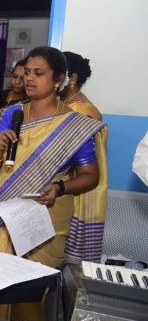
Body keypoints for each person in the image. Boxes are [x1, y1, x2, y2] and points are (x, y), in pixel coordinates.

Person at [0, 46, 105, 321]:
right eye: (27, 72)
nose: (29, 78)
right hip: (3, 214)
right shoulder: (12, 113)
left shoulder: (74, 125)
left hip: (46, 216)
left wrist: (60, 187)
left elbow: (90, 176)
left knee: (31, 293)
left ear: (59, 80)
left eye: (38, 73)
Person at [60, 51, 108, 264]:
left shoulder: (80, 109)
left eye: (58, 74)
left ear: (72, 78)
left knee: (70, 263)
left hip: (77, 185)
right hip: (68, 184)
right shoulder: (68, 104)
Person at [0, 59, 28, 133]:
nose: (17, 82)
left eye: (22, 79)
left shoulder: (27, 102)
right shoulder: (3, 94)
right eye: (15, 76)